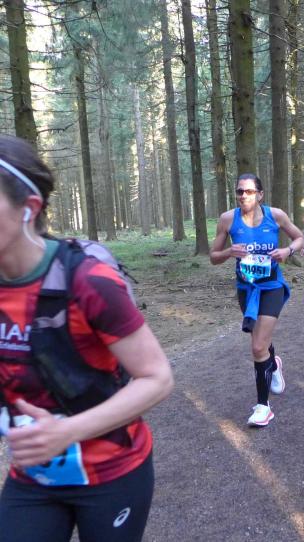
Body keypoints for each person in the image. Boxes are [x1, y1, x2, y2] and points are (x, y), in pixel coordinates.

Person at [0, 135, 174, 542]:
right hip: (34, 476)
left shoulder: (87, 281)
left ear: (29, 209)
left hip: (112, 471)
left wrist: (67, 432)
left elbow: (157, 378)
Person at [210, 173, 304, 427]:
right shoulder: (228, 219)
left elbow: (299, 237)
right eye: (240, 191)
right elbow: (213, 256)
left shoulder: (276, 215)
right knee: (260, 342)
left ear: (260, 195)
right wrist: (229, 251)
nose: (244, 196)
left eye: (249, 191)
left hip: (272, 286)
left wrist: (287, 250)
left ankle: (264, 407)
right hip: (246, 289)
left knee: (258, 346)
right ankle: (274, 364)